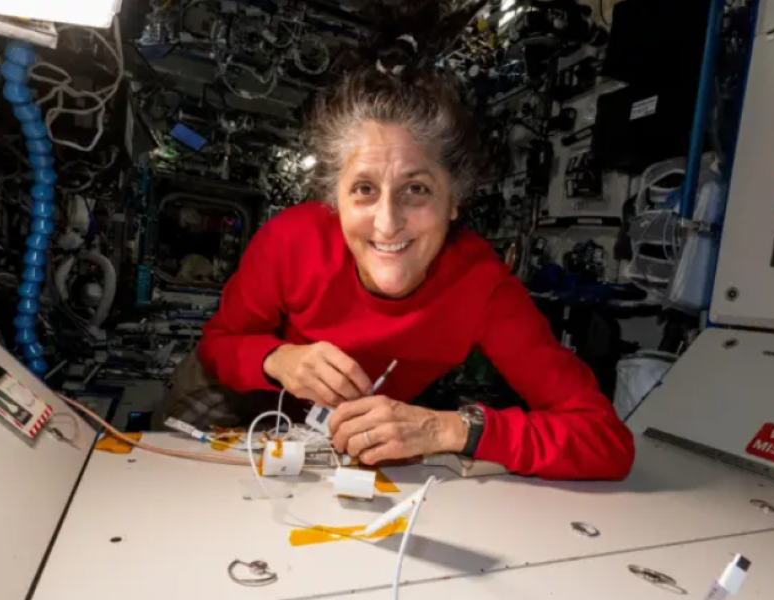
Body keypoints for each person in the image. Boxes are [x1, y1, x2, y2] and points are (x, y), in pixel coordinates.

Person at [167, 66, 635, 480]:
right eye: (364, 189)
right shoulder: (289, 240)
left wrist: (446, 427)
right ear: (335, 201)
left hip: (345, 435)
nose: (388, 223)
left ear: (455, 201)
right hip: (234, 397)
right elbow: (219, 344)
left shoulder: (483, 287)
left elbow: (605, 441)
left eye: (416, 189)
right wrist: (277, 359)